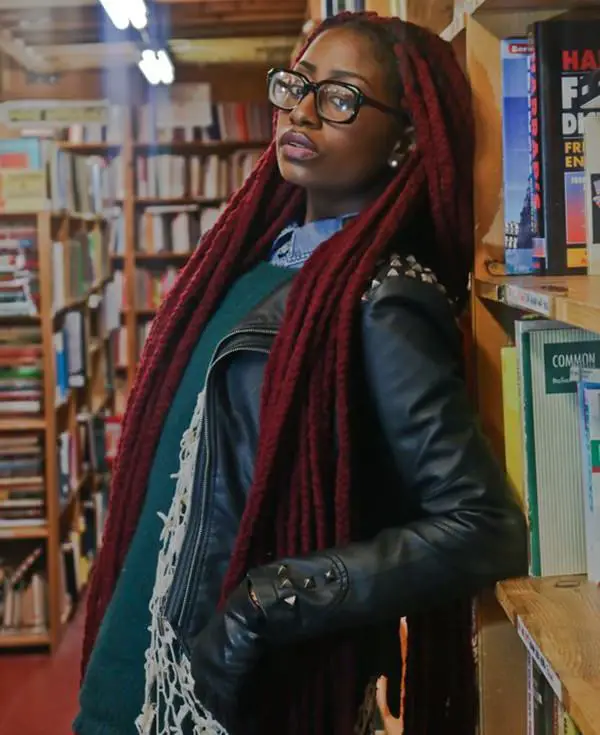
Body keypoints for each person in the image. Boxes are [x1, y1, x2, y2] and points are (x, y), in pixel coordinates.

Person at [75, 11, 528, 735]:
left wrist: (266, 601)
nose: (304, 111)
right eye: (298, 86)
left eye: (341, 98)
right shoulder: (255, 262)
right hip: (144, 663)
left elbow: (482, 526)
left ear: (405, 139)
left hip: (231, 688)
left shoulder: (383, 297)